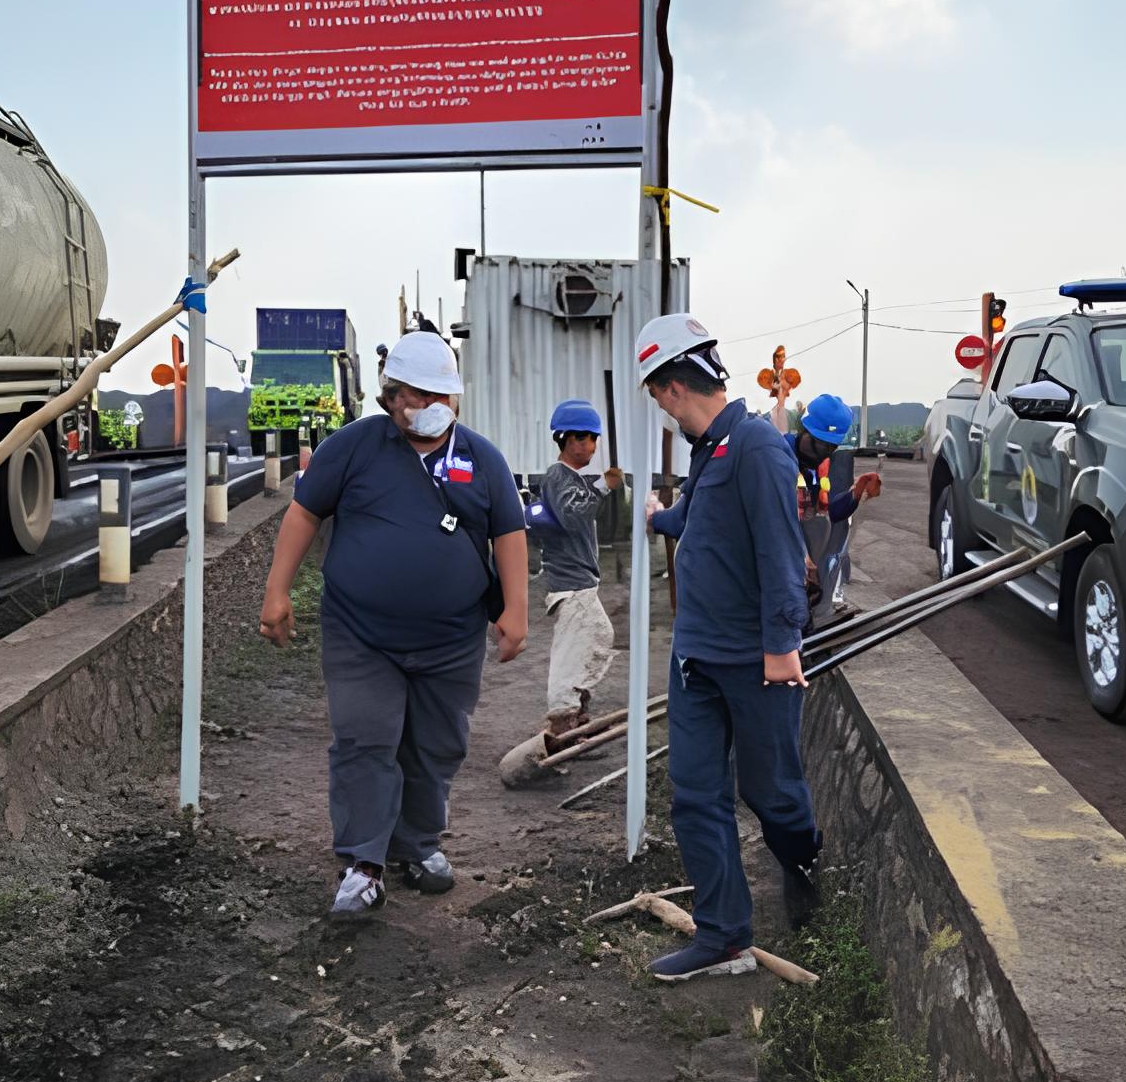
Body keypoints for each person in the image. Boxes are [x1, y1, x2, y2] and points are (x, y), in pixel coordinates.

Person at [258, 330, 529, 916]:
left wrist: (517, 608)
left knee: (436, 744)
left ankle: (419, 844)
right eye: (414, 394)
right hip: (362, 634)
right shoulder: (353, 447)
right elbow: (304, 514)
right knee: (365, 738)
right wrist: (277, 591)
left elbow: (508, 532)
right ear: (391, 396)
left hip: (451, 639)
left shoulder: (482, 459)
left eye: (438, 395)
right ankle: (364, 863)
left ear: (455, 399)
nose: (427, 406)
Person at [635, 313, 821, 982]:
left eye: (659, 396)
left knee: (771, 793)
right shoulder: (709, 451)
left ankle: (803, 859)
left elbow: (781, 550)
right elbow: (702, 518)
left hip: (752, 660)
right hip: (696, 661)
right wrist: (663, 516)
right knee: (695, 796)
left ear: (674, 388)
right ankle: (722, 936)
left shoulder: (756, 448)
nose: (661, 408)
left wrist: (780, 642)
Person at [523, 400, 623, 747]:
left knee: (592, 639)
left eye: (593, 438)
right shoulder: (559, 476)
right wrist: (605, 488)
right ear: (563, 439)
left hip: (579, 582)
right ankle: (562, 722)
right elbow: (572, 517)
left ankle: (575, 714)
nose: (589, 445)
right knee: (577, 648)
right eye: (581, 438)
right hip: (572, 584)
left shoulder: (571, 478)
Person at [774, 391, 883, 622]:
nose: (824, 453)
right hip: (775, 560)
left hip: (803, 561)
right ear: (805, 430)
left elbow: (830, 513)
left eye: (830, 449)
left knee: (826, 531)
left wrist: (856, 491)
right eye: (820, 445)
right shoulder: (777, 456)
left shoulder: (818, 468)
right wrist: (800, 557)